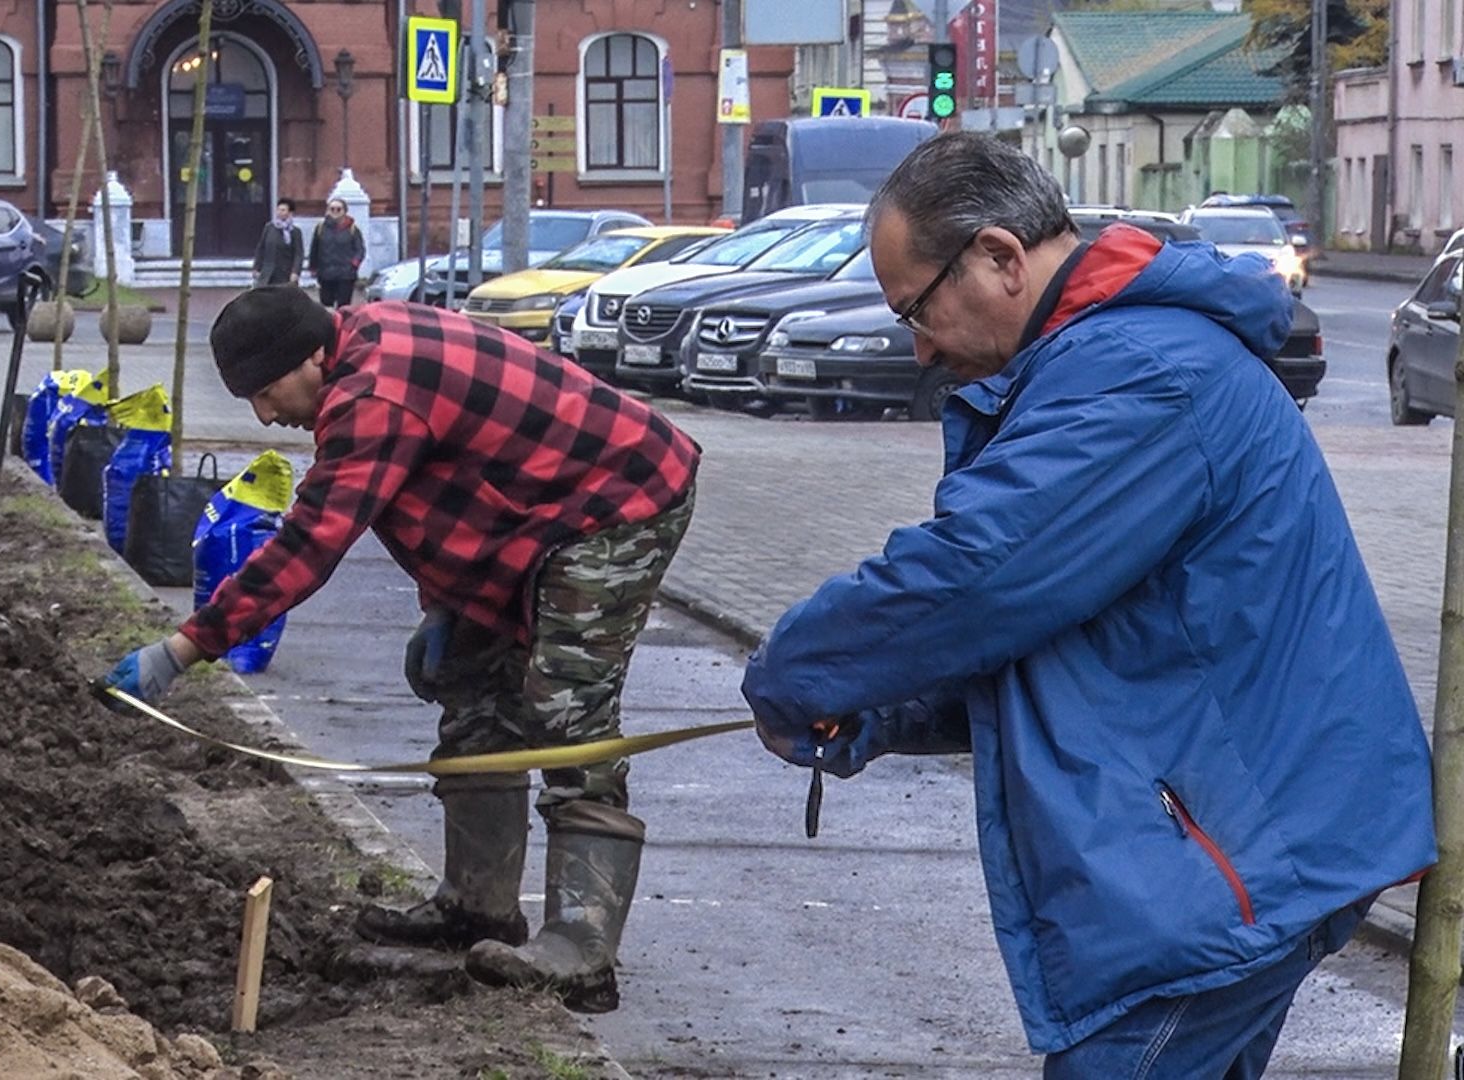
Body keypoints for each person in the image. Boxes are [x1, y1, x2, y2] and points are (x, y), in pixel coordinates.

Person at [740, 132, 1435, 1077]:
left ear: (998, 255)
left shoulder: (1138, 373)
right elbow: (1062, 637)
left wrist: (798, 673)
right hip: (1234, 837)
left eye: (917, 308)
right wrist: (881, 706)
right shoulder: (1102, 360)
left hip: (1237, 851)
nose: (919, 346)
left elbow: (973, 577)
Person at [101, 284, 698, 1014]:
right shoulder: (360, 350)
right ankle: (478, 909)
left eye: (266, 391)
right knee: (471, 682)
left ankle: (582, 948)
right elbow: (457, 483)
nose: (264, 415)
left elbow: (312, 541)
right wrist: (447, 606)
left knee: (567, 709)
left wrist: (184, 648)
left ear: (315, 355)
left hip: (621, 499)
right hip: (542, 511)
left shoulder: (374, 397)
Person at [310, 198, 365, 307]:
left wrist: (354, 264)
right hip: (326, 274)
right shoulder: (320, 228)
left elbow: (360, 249)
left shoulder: (353, 229)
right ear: (328, 210)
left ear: (344, 211)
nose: (335, 211)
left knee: (344, 307)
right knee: (326, 306)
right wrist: (313, 268)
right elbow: (314, 249)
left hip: (346, 275)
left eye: (338, 209)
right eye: (332, 209)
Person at [251, 196, 303, 287]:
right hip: (267, 274)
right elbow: (261, 248)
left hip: (285, 274)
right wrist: (256, 267)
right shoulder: (269, 227)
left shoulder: (295, 232)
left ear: (290, 213)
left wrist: (295, 272)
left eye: (283, 210)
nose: (279, 212)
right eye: (278, 210)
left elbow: (298, 254)